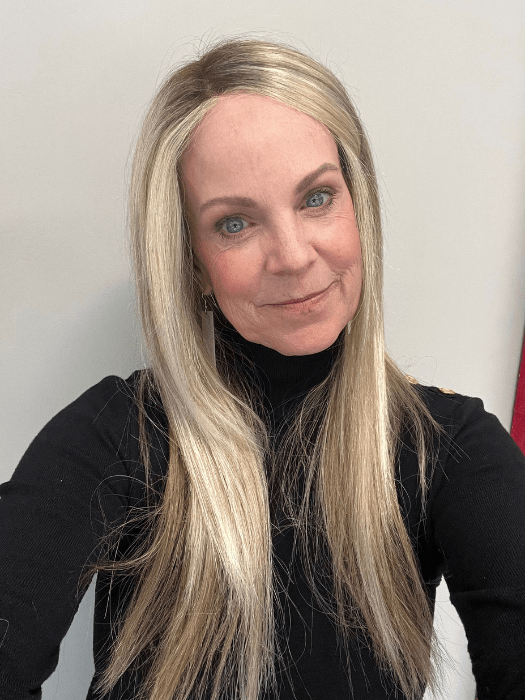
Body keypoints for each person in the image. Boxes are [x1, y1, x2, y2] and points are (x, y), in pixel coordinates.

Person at [1, 37, 524, 700]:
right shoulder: (115, 436)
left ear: (358, 206)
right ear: (191, 261)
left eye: (316, 198)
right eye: (235, 224)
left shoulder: (446, 445)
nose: (293, 256)